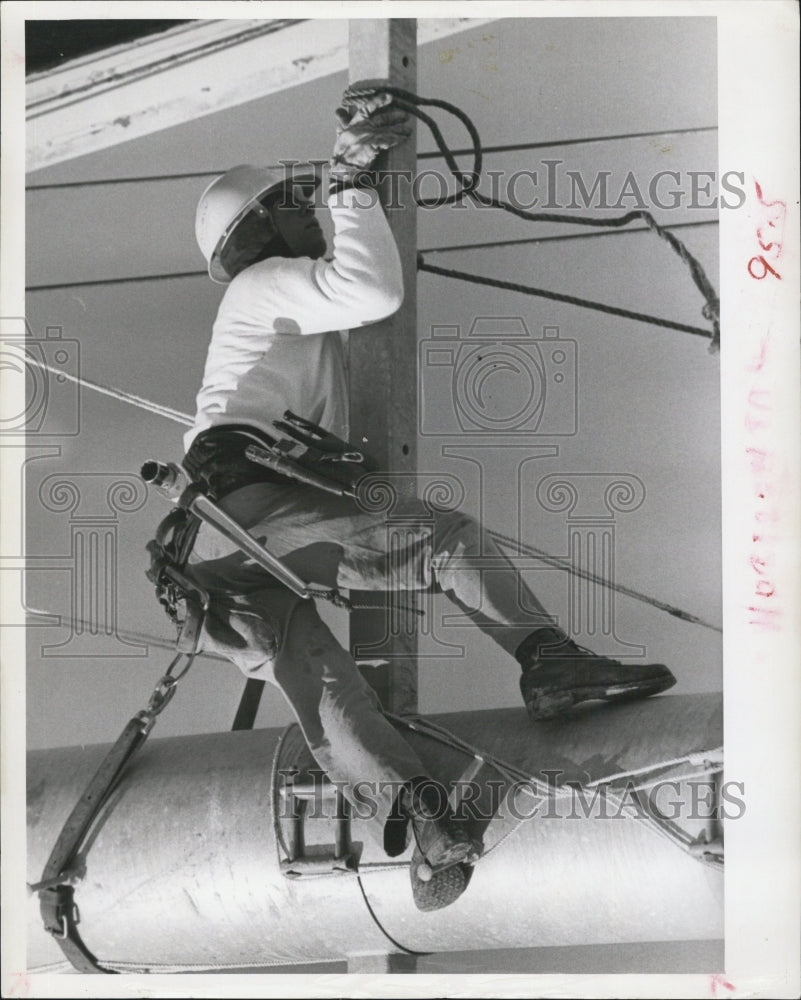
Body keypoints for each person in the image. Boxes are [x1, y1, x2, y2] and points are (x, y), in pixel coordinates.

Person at [174, 85, 676, 906]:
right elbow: (372, 289)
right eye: (294, 204)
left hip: (212, 553)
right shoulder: (262, 287)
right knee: (446, 543)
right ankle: (548, 665)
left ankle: (427, 830)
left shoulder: (276, 349)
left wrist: (361, 486)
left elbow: (293, 444)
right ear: (259, 232)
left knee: (331, 693)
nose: (310, 215)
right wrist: (351, 179)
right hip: (249, 514)